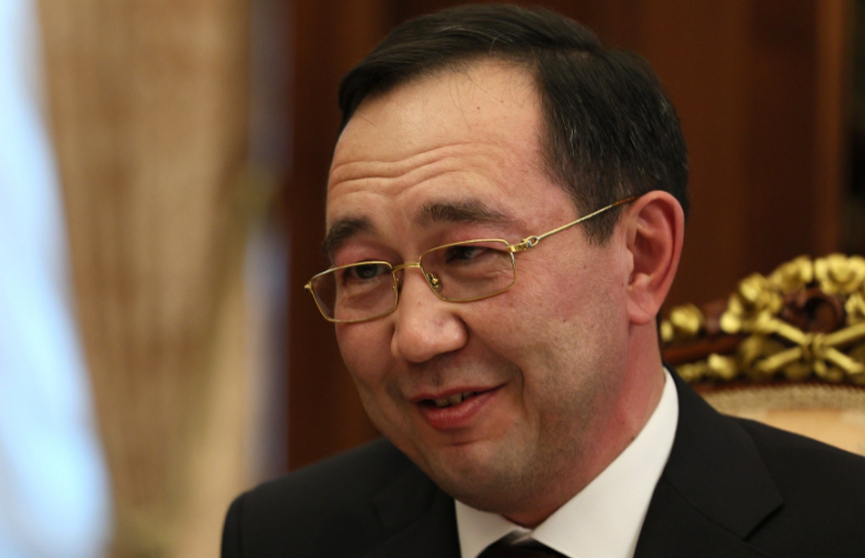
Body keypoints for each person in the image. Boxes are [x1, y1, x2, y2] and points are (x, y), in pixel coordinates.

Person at [222, 5, 865, 557]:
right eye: (364, 271)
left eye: (467, 254)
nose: (416, 337)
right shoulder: (285, 536)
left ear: (641, 256)